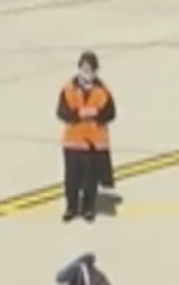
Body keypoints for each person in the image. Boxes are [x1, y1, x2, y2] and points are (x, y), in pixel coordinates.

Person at [56, 51, 117, 223]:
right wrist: (79, 114)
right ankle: (71, 207)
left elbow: (110, 113)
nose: (86, 74)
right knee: (72, 178)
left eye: (90, 70)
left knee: (90, 178)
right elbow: (62, 112)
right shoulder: (68, 89)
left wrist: (96, 113)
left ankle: (88, 208)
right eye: (84, 70)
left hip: (93, 143)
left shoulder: (102, 90)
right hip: (73, 142)